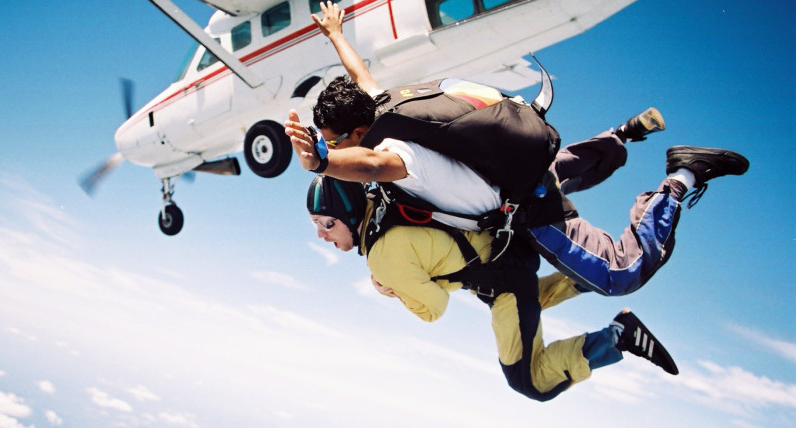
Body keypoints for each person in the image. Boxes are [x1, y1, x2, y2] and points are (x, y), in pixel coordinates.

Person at [286, 1, 749, 297]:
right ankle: (621, 135)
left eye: (335, 140)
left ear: (359, 130)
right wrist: (335, 34)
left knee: (617, 273)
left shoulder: (394, 152)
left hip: (527, 205)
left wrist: (320, 161)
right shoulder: (386, 106)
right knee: (555, 168)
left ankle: (682, 175)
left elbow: (367, 164)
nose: (334, 150)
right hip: (512, 168)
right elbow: (363, 77)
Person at [307, 173, 679, 402]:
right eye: (317, 227)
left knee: (529, 380)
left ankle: (617, 337)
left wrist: (394, 288)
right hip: (502, 249)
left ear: (349, 213)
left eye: (326, 223)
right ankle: (584, 279)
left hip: (502, 277)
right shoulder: (387, 201)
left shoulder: (381, 258)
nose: (323, 235)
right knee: (525, 307)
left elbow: (435, 308)